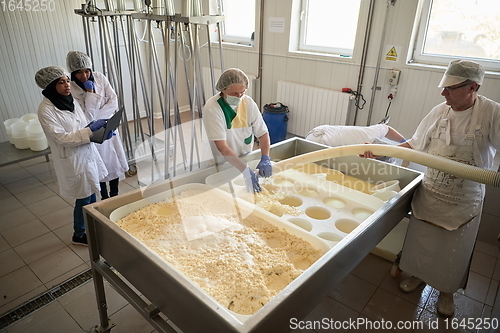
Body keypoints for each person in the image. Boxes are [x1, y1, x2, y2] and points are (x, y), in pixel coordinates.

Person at [363, 59, 500, 317]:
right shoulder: (439, 112)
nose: (443, 93)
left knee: (453, 251)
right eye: (443, 87)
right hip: (432, 193)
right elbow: (414, 145)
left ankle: (446, 291)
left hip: (463, 200)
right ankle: (417, 276)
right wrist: (379, 153)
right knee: (422, 244)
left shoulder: (492, 113)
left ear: (473, 87)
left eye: (450, 88)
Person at [35, 66, 111, 246]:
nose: (67, 85)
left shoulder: (70, 100)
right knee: (84, 197)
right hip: (72, 157)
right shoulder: (46, 110)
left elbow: (82, 123)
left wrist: (97, 130)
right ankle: (79, 234)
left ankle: (90, 225)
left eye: (67, 80)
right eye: (61, 82)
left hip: (86, 152)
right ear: (50, 86)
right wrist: (89, 132)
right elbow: (61, 138)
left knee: (91, 192)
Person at [66, 51, 129, 200]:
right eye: (79, 72)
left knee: (114, 163)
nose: (84, 76)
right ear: (72, 72)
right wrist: (90, 93)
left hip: (109, 126)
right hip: (92, 132)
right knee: (100, 166)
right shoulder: (72, 89)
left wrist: (101, 119)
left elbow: (113, 100)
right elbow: (87, 117)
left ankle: (115, 194)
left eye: (87, 70)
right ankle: (105, 197)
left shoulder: (99, 77)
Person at [202, 68, 272, 192]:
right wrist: (245, 170)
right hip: (220, 163)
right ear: (223, 90)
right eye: (235, 93)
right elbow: (222, 147)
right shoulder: (212, 108)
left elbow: (263, 133)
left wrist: (265, 157)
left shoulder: (248, 103)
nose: (239, 96)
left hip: (244, 159)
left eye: (242, 92)